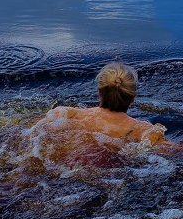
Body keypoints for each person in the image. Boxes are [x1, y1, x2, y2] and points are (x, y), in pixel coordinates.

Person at [27, 62, 173, 164]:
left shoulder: (68, 113)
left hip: (58, 159)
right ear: (133, 98)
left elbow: (29, 130)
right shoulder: (140, 130)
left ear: (99, 93)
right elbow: (175, 150)